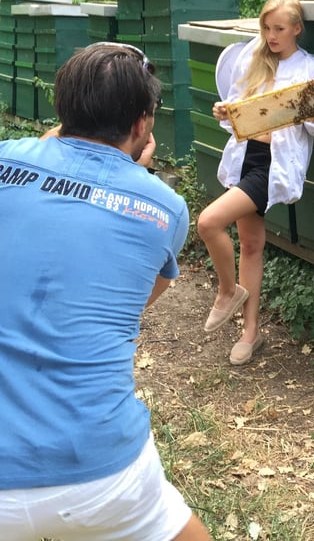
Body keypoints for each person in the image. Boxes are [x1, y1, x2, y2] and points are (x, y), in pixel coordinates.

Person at [0, 43, 212, 541]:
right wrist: (135, 169)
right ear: (143, 124)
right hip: (100, 473)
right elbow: (132, 304)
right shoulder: (166, 208)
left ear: (60, 107)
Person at [197, 0, 314, 365]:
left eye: (279, 28)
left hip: (273, 165)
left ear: (297, 29)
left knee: (209, 221)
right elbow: (236, 115)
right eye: (266, 27)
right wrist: (221, 112)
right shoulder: (251, 57)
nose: (271, 35)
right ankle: (250, 333)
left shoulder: (311, 68)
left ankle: (227, 292)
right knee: (251, 245)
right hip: (246, 158)